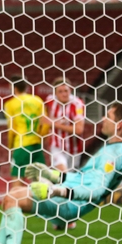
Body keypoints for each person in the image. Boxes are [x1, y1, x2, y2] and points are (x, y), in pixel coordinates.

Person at [0, 102, 122, 244]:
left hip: (69, 203)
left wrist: (56, 190)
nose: (103, 118)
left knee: (13, 199)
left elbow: (94, 190)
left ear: (119, 126)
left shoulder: (112, 154)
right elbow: (83, 178)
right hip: (68, 199)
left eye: (108, 116)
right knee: (14, 193)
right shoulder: (116, 149)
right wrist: (52, 175)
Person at [42, 78, 86, 230]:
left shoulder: (78, 104)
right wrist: (47, 131)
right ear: (54, 93)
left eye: (66, 90)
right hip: (57, 146)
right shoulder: (49, 102)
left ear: (71, 91)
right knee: (63, 177)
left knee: (68, 186)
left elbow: (79, 129)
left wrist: (52, 124)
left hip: (74, 149)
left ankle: (63, 217)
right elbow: (44, 118)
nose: (64, 94)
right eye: (60, 91)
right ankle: (64, 219)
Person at [4, 75, 48, 188]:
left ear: (15, 88)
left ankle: (16, 203)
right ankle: (39, 205)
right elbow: (46, 124)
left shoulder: (10, 104)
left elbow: (12, 129)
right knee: (39, 180)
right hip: (37, 144)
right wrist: (40, 137)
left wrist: (11, 146)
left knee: (18, 178)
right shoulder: (38, 100)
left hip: (21, 144)